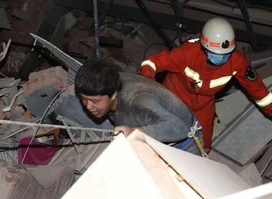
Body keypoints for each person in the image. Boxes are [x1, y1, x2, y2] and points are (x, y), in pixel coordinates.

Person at [140, 17, 272, 151]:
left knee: (204, 145)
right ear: (204, 48)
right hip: (174, 98)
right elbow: (152, 63)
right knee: (161, 132)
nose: (221, 58)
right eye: (216, 54)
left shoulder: (237, 62)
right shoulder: (187, 54)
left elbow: (261, 94)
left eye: (226, 54)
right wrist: (152, 90)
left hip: (204, 106)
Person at [57, 58, 205, 156]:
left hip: (184, 141)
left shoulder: (137, 101)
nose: (88, 106)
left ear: (113, 94)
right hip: (155, 128)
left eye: (95, 101)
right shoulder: (108, 81)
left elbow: (178, 128)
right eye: (84, 99)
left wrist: (135, 131)